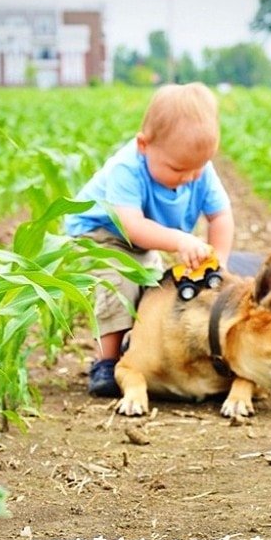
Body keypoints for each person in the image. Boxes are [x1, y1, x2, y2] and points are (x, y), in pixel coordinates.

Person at [65, 82, 235, 397]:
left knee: (154, 289)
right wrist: (181, 241)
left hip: (145, 239)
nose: (189, 178)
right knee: (119, 285)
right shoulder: (126, 168)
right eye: (178, 169)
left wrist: (220, 261)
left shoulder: (200, 171)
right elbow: (131, 226)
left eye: (197, 170)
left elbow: (221, 216)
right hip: (100, 235)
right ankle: (107, 361)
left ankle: (137, 347)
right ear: (144, 145)